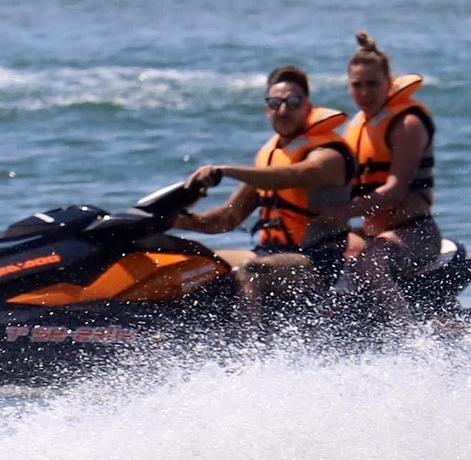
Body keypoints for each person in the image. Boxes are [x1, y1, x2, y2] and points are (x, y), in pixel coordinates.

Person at [173, 65, 358, 311]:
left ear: (307, 106)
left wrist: (224, 171)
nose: (283, 110)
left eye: (293, 102)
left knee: (251, 271)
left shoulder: (329, 155)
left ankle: (253, 348)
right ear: (266, 109)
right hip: (268, 253)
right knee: (192, 264)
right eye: (275, 103)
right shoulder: (269, 158)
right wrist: (171, 221)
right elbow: (226, 218)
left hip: (318, 262)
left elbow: (293, 175)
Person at [315, 31, 440, 322]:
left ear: (388, 83)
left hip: (415, 233)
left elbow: (395, 191)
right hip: (373, 234)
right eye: (357, 85)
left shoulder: (406, 124)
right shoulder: (358, 126)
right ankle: (319, 331)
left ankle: (408, 339)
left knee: (370, 262)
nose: (365, 93)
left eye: (373, 84)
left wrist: (340, 213)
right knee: (318, 252)